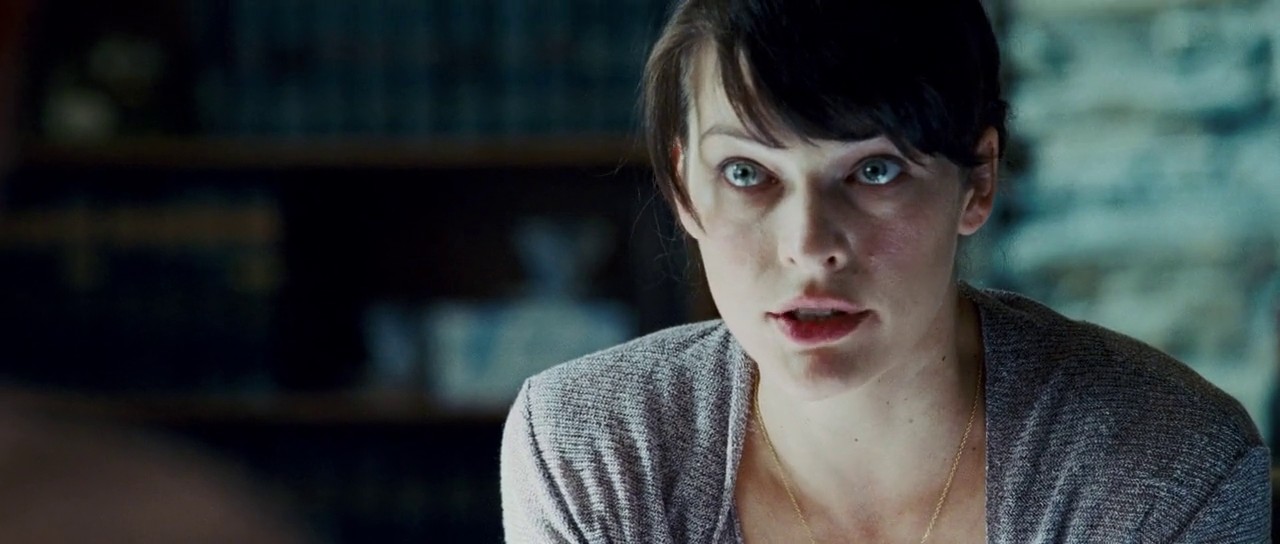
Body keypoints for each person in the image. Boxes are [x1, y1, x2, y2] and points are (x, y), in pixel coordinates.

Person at [500, 0, 1270, 542]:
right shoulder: (594, 452)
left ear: (978, 181)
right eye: (746, 173)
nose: (809, 245)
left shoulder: (1163, 469)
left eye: (874, 171)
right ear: (683, 190)